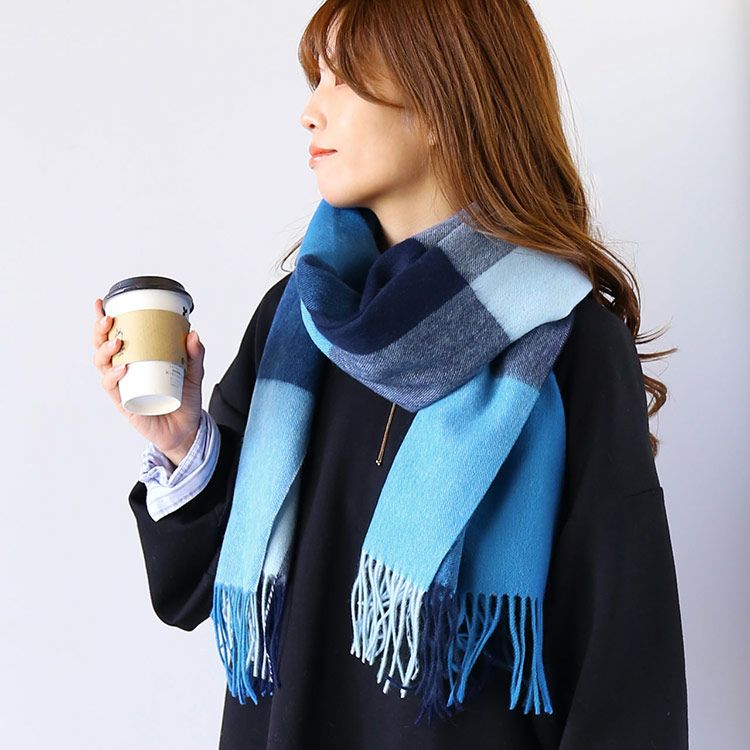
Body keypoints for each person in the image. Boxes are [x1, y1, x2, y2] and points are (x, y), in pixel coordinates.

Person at [92, 1, 689, 747]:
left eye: (342, 80)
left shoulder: (567, 340)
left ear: (442, 98)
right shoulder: (296, 322)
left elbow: (624, 667)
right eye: (314, 81)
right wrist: (181, 441)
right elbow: (195, 589)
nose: (310, 112)